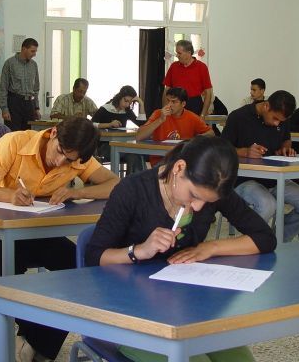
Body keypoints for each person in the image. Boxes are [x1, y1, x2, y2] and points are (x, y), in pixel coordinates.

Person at [85, 136, 276, 362]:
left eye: (207, 201)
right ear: (179, 167)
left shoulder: (210, 186)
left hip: (188, 308)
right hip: (129, 313)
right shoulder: (133, 190)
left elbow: (264, 238)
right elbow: (94, 256)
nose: (198, 206)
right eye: (193, 195)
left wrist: (211, 247)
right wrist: (139, 251)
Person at [0, 116, 119, 362]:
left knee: (80, 270)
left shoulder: (78, 156)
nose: (60, 161)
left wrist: (77, 192)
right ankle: (17, 341)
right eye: (60, 151)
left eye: (69, 160)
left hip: (38, 232)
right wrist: (9, 195)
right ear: (53, 132)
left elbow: (114, 184)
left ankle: (36, 345)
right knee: (3, 265)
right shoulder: (14, 142)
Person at [221, 90, 299, 242]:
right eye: (275, 119)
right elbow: (222, 149)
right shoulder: (238, 117)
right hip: (244, 179)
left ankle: (275, 241)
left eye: (281, 121)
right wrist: (244, 151)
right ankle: (247, 245)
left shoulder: (281, 118)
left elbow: (286, 139)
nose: (277, 124)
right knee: (268, 205)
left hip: (276, 178)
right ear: (266, 106)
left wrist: (285, 148)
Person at [92, 85, 146, 174]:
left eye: (130, 102)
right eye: (126, 101)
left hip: (122, 145)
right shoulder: (105, 109)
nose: (127, 104)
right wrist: (109, 124)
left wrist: (141, 104)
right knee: (132, 152)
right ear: (120, 97)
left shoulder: (126, 111)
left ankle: (132, 184)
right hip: (105, 147)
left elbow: (142, 125)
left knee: (136, 155)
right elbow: (91, 124)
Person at [0, 37, 41, 131]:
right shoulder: (10, 63)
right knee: (13, 134)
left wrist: (36, 108)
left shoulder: (34, 65)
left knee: (29, 134)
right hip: (14, 103)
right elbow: (3, 88)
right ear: (24, 49)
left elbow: (36, 88)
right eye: (32, 51)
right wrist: (4, 109)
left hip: (30, 104)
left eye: (35, 51)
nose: (34, 54)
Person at [163, 39, 213, 116]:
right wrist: (164, 109)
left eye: (179, 53)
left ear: (189, 53)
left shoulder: (201, 67)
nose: (177, 55)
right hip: (175, 104)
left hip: (194, 104)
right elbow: (167, 90)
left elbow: (208, 92)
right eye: (177, 53)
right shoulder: (174, 66)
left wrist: (203, 115)